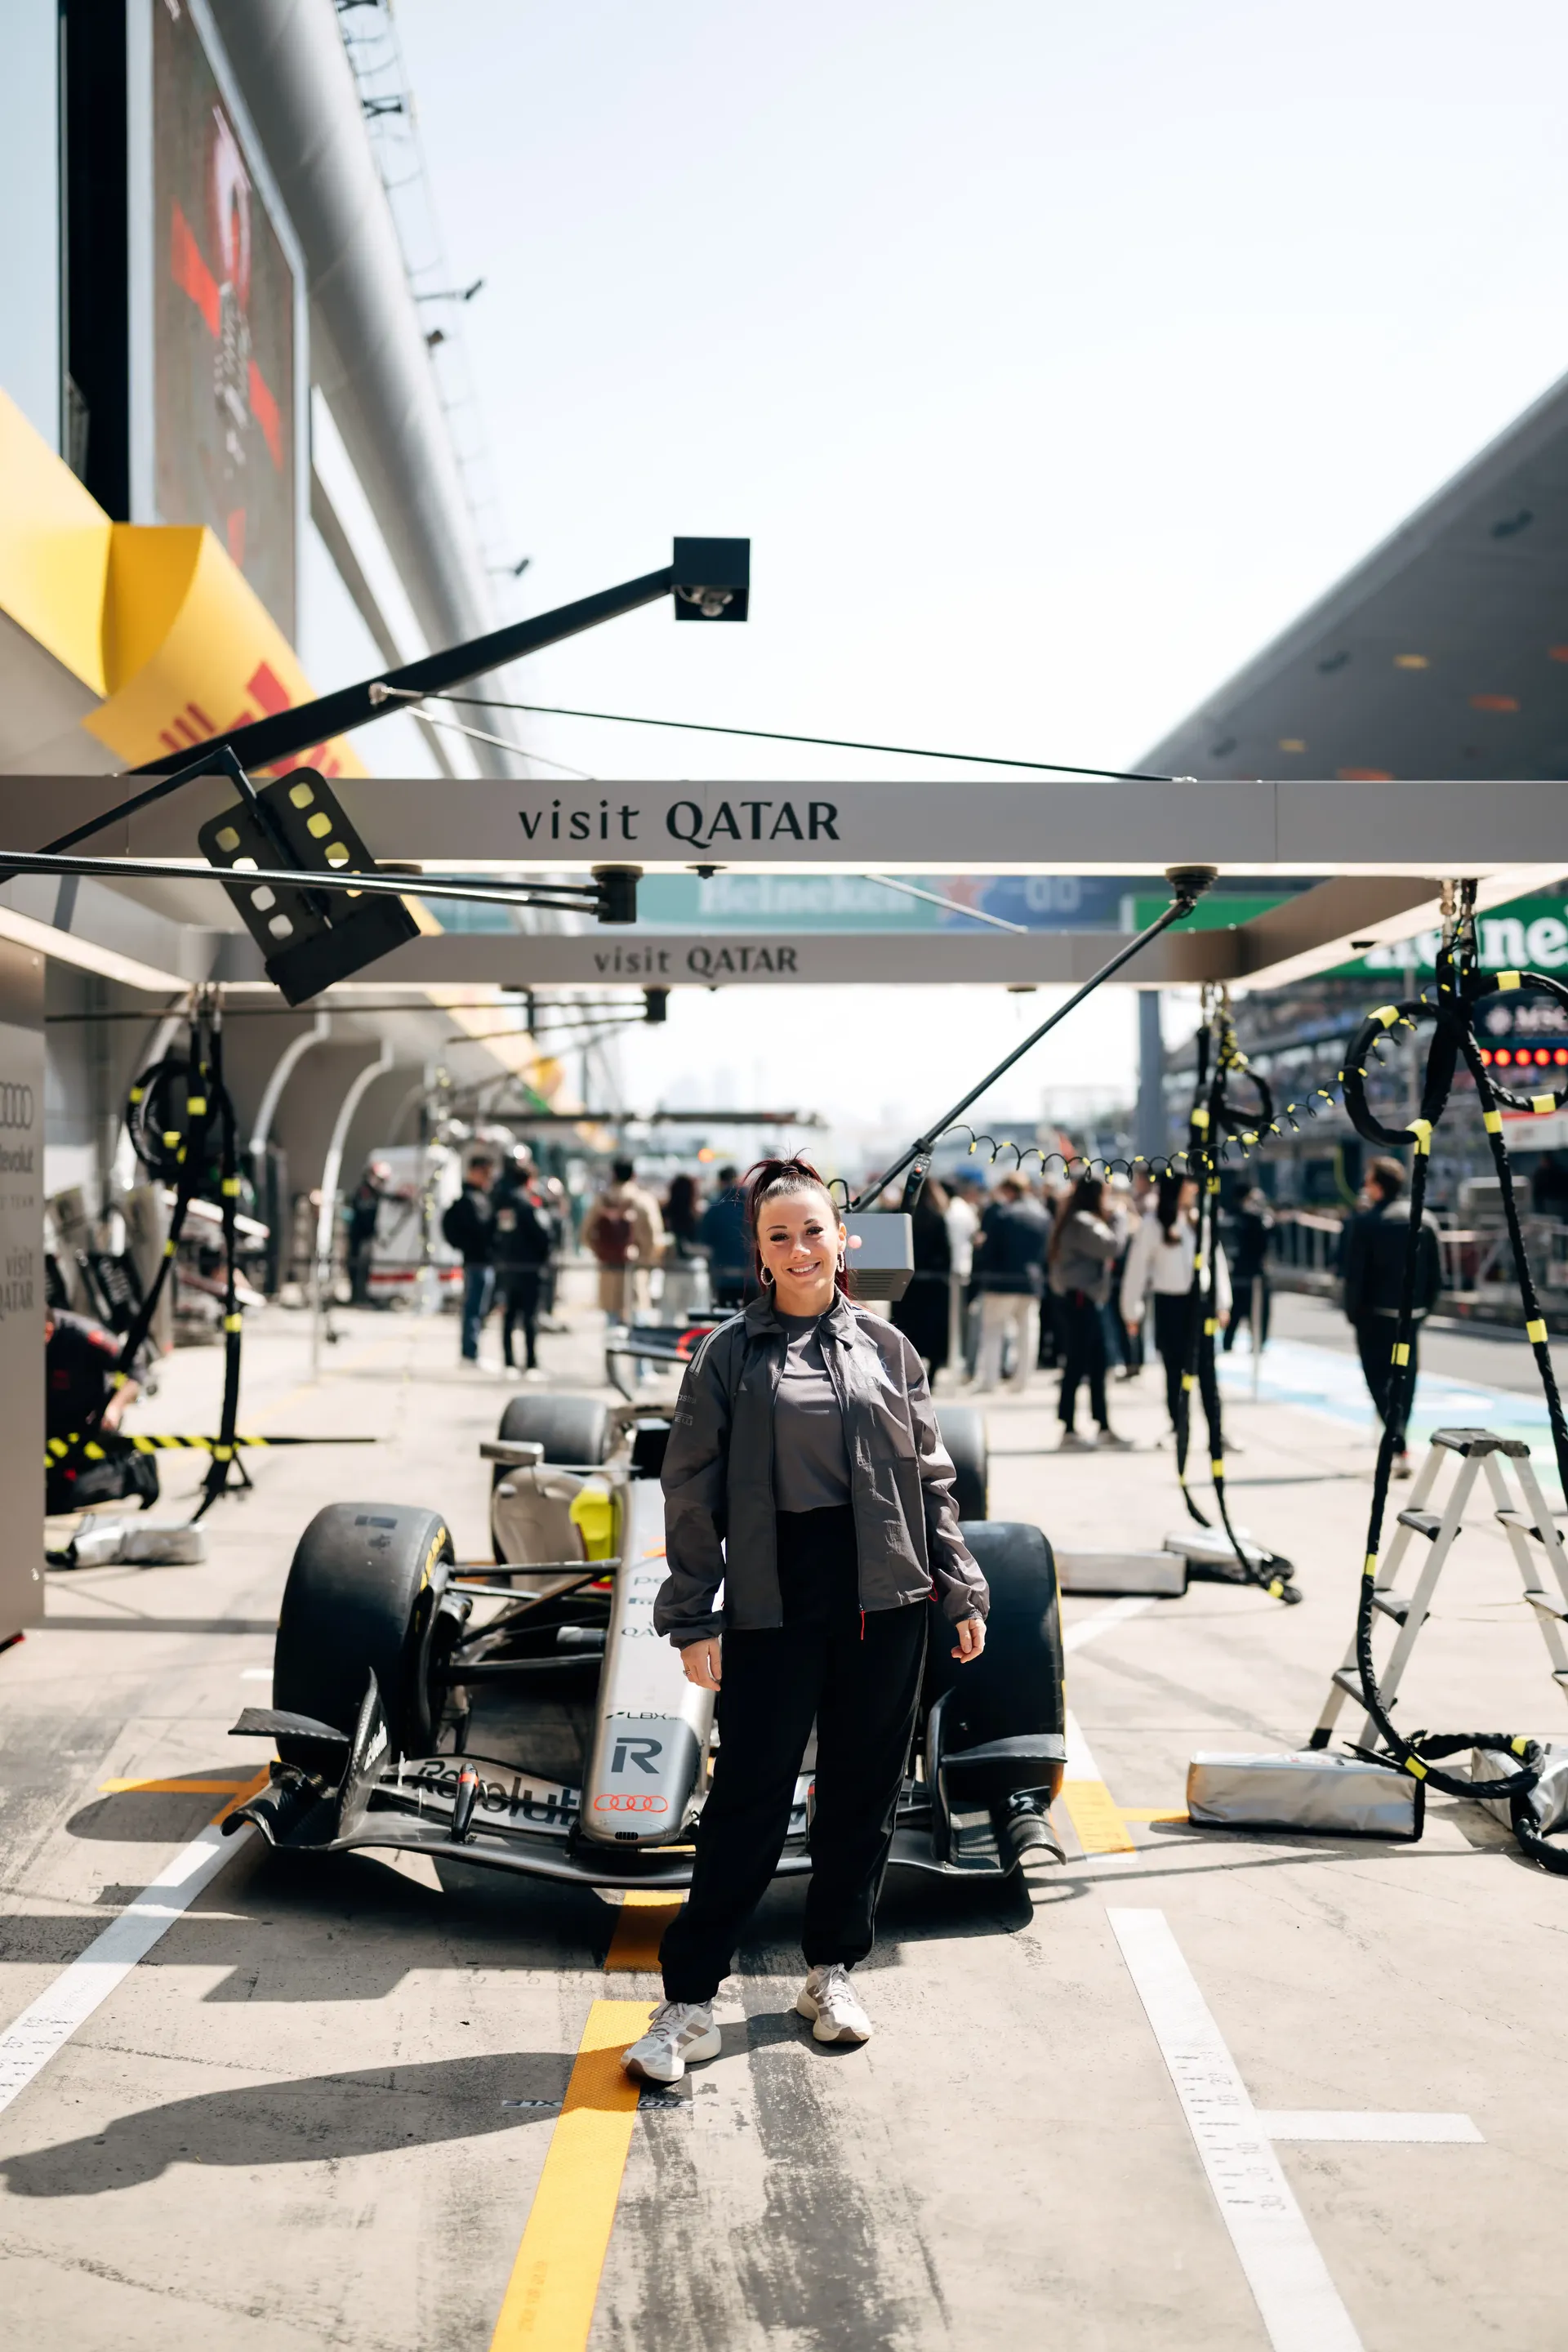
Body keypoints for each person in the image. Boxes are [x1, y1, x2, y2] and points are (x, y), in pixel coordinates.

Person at [621, 1154, 989, 2086]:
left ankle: (832, 1974)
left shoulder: (889, 1348)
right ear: (758, 1249)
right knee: (747, 1797)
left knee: (862, 1797)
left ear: (841, 1238)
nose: (799, 1249)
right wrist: (692, 1617)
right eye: (779, 1235)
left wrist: (962, 1585)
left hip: (887, 1597)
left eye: (813, 1230)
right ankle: (691, 2000)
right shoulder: (726, 1356)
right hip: (774, 1599)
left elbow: (931, 1480)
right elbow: (689, 1494)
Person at [1341, 1154, 1441, 1478]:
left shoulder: (1366, 1223)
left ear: (1377, 1185)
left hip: (1374, 1318)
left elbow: (1355, 1274)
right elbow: (1437, 1275)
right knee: (1405, 1379)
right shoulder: (1425, 1221)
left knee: (1377, 1379)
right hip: (1410, 1317)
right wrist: (1424, 1310)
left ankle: (1397, 1442)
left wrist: (1353, 1313)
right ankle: (1400, 1442)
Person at [1120, 1170, 1231, 1440]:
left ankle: (1216, 1432)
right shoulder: (1153, 1225)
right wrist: (1131, 1309)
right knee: (1173, 1369)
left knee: (1207, 1368)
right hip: (1169, 1303)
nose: (1193, 1189)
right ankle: (1178, 1427)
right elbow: (1137, 1269)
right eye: (1187, 1185)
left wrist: (1222, 1302)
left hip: (1199, 1302)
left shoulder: (1198, 1222)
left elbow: (1215, 1261)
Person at [45, 1304, 155, 1516]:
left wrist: (115, 1407)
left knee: (60, 1499)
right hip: (48, 1421)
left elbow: (135, 1370)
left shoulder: (84, 1335)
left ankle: (136, 1472)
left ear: (48, 1330)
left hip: (87, 1424)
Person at [1048, 1174, 1131, 1450]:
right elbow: (1112, 1246)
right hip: (1081, 1301)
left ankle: (1102, 1424)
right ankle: (1069, 1429)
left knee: (1096, 1365)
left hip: (1085, 1300)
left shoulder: (1076, 1219)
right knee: (1078, 1365)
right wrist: (1120, 1219)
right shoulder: (1083, 1222)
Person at [971, 1174, 1049, 1392]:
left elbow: (989, 1250)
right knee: (1028, 1333)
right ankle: (1022, 1381)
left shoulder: (1003, 1214)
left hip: (1000, 1282)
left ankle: (990, 1381)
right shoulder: (1042, 1214)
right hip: (1031, 1281)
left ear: (1009, 1190)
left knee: (993, 1332)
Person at [492, 1148, 555, 1376]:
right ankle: (530, 1363)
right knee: (529, 1317)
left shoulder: (503, 1203)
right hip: (530, 1268)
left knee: (509, 1315)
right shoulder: (528, 1206)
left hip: (508, 1266)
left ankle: (508, 1362)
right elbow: (544, 1236)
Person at [581, 1157, 665, 1322]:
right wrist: (645, 1261)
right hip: (634, 1272)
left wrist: (602, 1252)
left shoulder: (601, 1201)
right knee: (638, 1324)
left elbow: (585, 1235)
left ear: (613, 1175)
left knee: (612, 1326)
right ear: (634, 1175)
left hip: (608, 1271)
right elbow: (656, 1240)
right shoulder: (644, 1201)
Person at [891, 1175, 952, 1379]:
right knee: (932, 1333)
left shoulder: (898, 1217)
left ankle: (905, 1375)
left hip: (904, 1284)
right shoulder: (937, 1217)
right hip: (932, 1285)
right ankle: (931, 1376)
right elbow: (945, 1254)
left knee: (906, 1331)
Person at [441, 1152, 497, 1365]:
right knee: (473, 1308)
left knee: (479, 1308)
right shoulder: (469, 1200)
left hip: (483, 1261)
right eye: (485, 1173)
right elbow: (476, 1230)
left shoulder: (482, 1197)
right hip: (476, 1261)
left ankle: (472, 1352)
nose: (488, 1178)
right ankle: (469, 1353)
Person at [1223, 1184, 1274, 1354]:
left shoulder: (1257, 1219)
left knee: (1255, 1313)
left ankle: (1257, 1343)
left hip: (1252, 1273)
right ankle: (1229, 1342)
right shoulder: (1238, 1219)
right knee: (1238, 1311)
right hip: (1242, 1274)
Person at [699, 1165, 750, 1309]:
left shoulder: (715, 1208)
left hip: (723, 1276)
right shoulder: (754, 1205)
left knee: (726, 1323)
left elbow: (706, 1240)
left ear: (721, 1182)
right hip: (752, 1277)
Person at [660, 1172, 709, 1321]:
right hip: (695, 1268)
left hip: (672, 1268)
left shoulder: (666, 1213)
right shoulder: (699, 1213)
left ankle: (666, 1344)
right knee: (696, 1319)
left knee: (668, 1317)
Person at [346, 1159, 392, 1307]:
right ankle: (358, 1297)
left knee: (365, 1268)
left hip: (367, 1236)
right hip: (361, 1237)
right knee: (359, 1267)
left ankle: (362, 1296)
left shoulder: (374, 1193)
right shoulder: (364, 1192)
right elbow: (364, 1212)